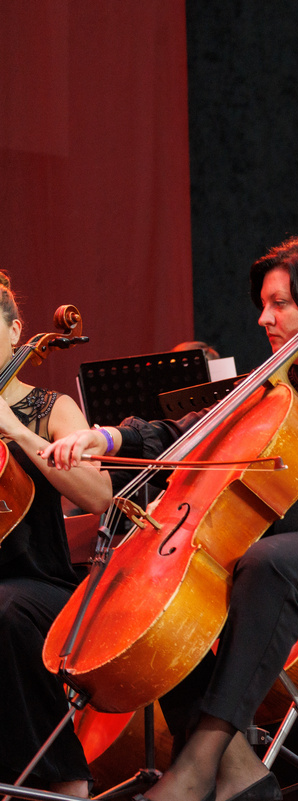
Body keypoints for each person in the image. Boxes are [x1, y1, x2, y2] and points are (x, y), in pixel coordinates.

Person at [46, 236, 298, 801]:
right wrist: (108, 436)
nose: (264, 317)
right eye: (262, 304)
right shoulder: (278, 382)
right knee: (164, 594)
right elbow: (189, 430)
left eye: (279, 303)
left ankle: (198, 767)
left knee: (270, 563)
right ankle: (240, 771)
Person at [0, 271, 113, 797]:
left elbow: (98, 495)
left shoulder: (49, 410)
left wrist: (17, 431)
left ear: (15, 329)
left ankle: (64, 783)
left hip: (40, 588)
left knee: (4, 611)